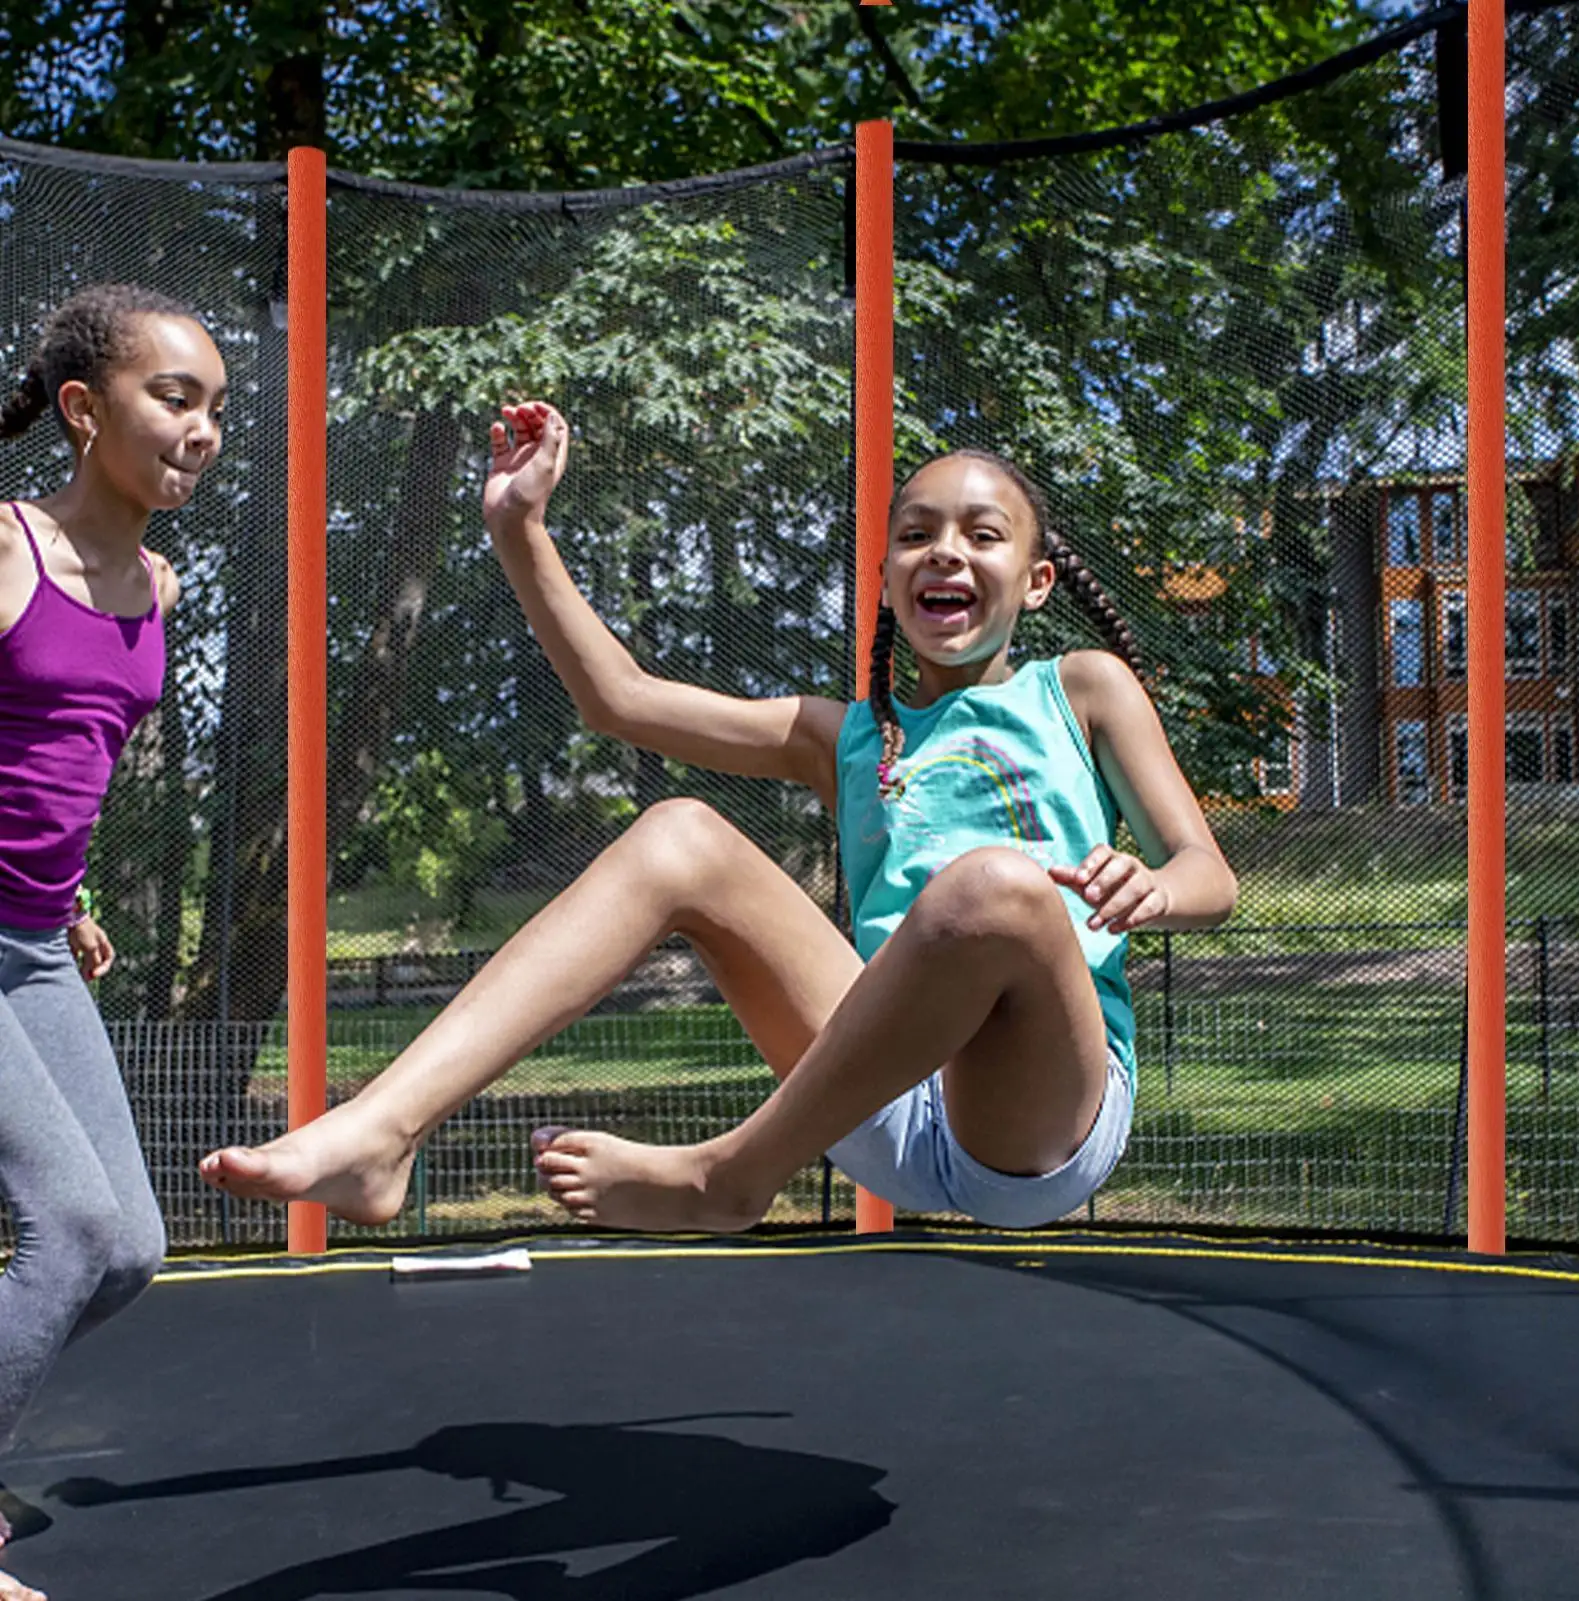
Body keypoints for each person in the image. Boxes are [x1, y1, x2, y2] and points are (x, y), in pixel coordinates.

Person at [200, 400, 1235, 1239]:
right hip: (865, 1097)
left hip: (1037, 1119)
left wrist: (1155, 888)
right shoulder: (845, 733)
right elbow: (618, 698)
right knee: (679, 831)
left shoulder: (1083, 688)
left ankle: (727, 1175)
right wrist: (518, 529)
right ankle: (383, 1129)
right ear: (882, 581)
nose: (942, 553)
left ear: (1037, 579)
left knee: (994, 886)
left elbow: (1207, 872)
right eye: (913, 536)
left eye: (981, 534)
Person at [0, 284, 227, 1601]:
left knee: (129, 1245)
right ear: (84, 410)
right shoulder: (10, 550)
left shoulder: (158, 580)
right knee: (71, 1229)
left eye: (213, 409)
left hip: (32, 939)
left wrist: (71, 895)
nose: (200, 429)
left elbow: (70, 758)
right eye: (173, 398)